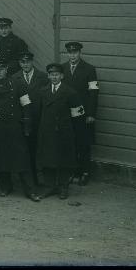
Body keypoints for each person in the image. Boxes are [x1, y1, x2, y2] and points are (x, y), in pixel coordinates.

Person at [0, 57, 41, 202]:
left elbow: (26, 106)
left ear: (6, 69)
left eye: (1, 69)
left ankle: (30, 190)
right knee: (1, 159)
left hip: (15, 127)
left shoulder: (17, 84)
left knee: (22, 160)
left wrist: (27, 126)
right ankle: (5, 187)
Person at [36, 63, 82, 200]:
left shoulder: (70, 92)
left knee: (64, 161)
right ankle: (49, 186)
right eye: (51, 74)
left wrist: (73, 133)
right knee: (48, 159)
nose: (54, 77)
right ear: (48, 76)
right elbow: (39, 113)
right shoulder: (42, 92)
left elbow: (78, 117)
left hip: (64, 133)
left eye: (57, 74)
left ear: (62, 76)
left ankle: (63, 187)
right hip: (47, 132)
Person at [61, 41, 99, 186]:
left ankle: (85, 172)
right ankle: (73, 171)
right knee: (70, 142)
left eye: (75, 52)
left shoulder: (89, 69)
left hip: (83, 114)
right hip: (66, 113)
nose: (72, 55)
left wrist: (91, 114)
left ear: (80, 53)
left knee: (83, 143)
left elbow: (93, 93)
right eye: (70, 52)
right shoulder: (62, 68)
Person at [11, 51, 49, 187]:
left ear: (32, 62)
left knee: (36, 148)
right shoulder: (14, 78)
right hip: (21, 120)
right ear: (19, 63)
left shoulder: (43, 77)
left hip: (38, 118)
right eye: (22, 62)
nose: (25, 64)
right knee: (22, 148)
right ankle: (22, 178)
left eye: (27, 62)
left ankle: (37, 176)